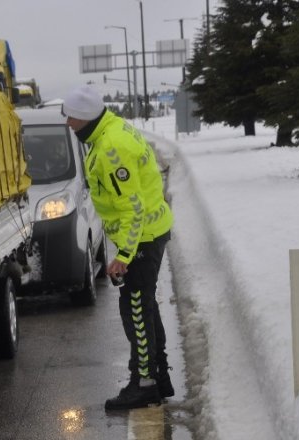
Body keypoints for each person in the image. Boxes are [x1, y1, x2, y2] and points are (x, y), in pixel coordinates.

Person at [64, 85, 174, 410]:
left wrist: (123, 256)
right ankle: (158, 375)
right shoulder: (110, 130)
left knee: (135, 309)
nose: (69, 124)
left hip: (143, 237)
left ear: (85, 118)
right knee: (145, 306)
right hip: (149, 231)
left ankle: (145, 383)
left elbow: (132, 207)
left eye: (72, 117)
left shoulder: (112, 146)